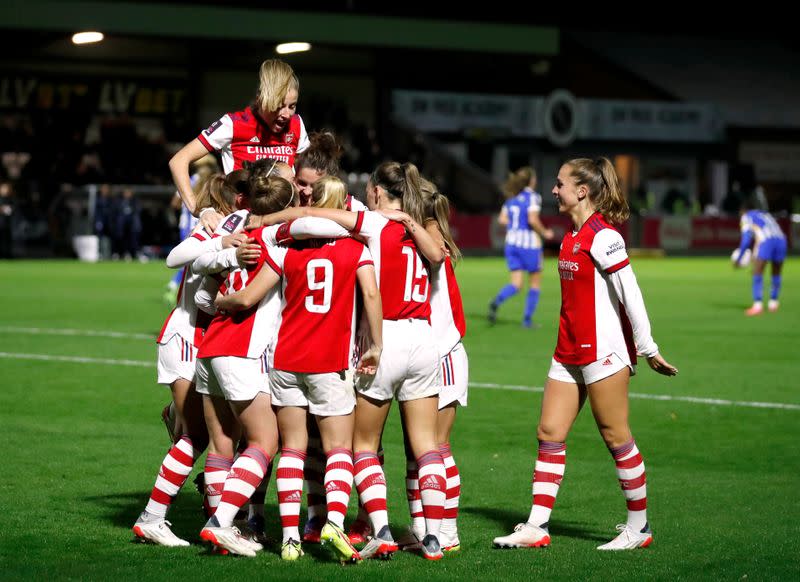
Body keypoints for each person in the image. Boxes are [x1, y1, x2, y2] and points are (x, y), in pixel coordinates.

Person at [492, 157, 678, 552]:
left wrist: (647, 348)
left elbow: (632, 294)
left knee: (616, 436)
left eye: (559, 184)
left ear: (582, 191)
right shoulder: (570, 235)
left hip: (604, 352)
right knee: (549, 433)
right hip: (568, 350)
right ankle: (537, 526)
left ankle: (638, 528)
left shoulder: (603, 236)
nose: (553, 190)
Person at [215, 182, 383, 561]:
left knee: (291, 447)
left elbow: (248, 296)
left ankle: (290, 538)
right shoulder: (357, 249)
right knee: (338, 448)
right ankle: (334, 524)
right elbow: (371, 295)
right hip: (330, 360)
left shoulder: (284, 252)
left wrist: (221, 301)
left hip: (286, 360)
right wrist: (375, 344)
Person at [132, 174, 242, 547]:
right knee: (197, 436)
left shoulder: (232, 226)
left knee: (219, 434)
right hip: (187, 338)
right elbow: (172, 257)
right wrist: (219, 240)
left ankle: (215, 521)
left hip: (203, 341)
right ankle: (154, 517)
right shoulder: (214, 229)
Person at [168, 59, 309, 230]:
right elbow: (178, 161)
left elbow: (307, 176)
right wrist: (200, 210)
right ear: (261, 99)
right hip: (241, 226)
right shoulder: (233, 124)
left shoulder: (296, 125)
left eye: (292, 106)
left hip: (283, 226)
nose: (286, 114)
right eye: (279, 106)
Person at [488, 166, 554, 328]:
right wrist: (545, 233)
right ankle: (527, 321)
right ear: (531, 180)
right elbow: (532, 220)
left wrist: (515, 226)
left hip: (511, 244)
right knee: (535, 283)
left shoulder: (512, 198)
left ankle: (496, 301)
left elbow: (502, 220)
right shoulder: (533, 197)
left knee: (516, 284)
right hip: (529, 245)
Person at [165, 154, 219, 304]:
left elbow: (175, 202)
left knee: (188, 258)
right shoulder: (214, 181)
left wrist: (185, 206)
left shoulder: (189, 180)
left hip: (187, 226)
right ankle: (180, 287)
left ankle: (177, 286)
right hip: (207, 224)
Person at [733, 200, 787, 315]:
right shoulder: (765, 214)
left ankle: (757, 305)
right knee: (776, 272)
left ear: (742, 211)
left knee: (757, 272)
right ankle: (773, 302)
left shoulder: (746, 217)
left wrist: (738, 259)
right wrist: (754, 256)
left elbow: (746, 241)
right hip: (781, 240)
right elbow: (759, 236)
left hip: (767, 241)